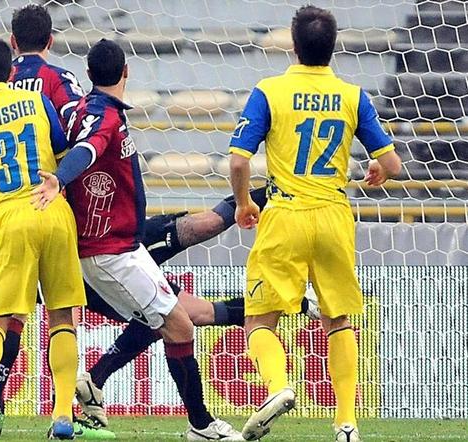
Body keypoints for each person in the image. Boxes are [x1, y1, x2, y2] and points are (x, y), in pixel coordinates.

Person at [32, 39, 243, 442]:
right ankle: (201, 425)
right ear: (126, 71)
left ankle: (100, 381)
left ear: (90, 75)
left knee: (173, 322)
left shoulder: (82, 110)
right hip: (109, 252)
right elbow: (87, 151)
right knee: (179, 326)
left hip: (125, 247)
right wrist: (60, 179)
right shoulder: (103, 117)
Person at [228, 6, 402, 442]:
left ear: (293, 42)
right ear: (334, 45)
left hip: (284, 214)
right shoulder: (352, 94)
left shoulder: (270, 91)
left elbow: (237, 160)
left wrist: (245, 203)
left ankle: (279, 387)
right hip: (333, 215)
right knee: (339, 320)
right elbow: (393, 164)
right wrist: (379, 170)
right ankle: (346, 424)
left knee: (259, 321)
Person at [0, 36, 86, 440]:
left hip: (7, 217)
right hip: (53, 209)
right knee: (61, 317)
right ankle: (62, 415)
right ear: (12, 72)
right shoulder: (38, 102)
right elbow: (61, 156)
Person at [8, 4, 85, 126]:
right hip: (48, 144)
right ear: (50, 41)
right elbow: (78, 120)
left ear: (12, 41)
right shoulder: (60, 78)